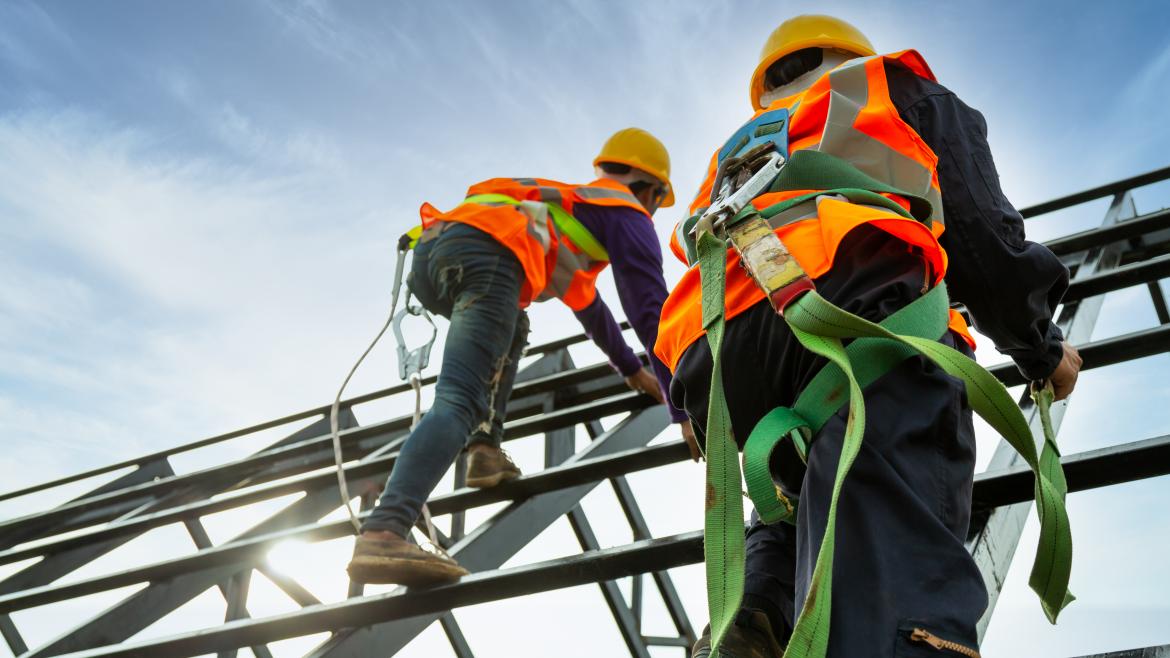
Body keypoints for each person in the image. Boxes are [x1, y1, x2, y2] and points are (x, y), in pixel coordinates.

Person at [652, 16, 1083, 657]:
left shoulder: (737, 153)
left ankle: (754, 612)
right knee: (892, 547)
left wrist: (684, 404)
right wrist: (1041, 350)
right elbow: (979, 233)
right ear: (852, 53)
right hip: (858, 302)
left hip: (714, 354)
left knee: (795, 490)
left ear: (768, 88)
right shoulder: (890, 86)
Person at [347, 127, 693, 586]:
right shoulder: (626, 213)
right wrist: (683, 407)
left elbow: (592, 310)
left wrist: (631, 369)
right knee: (459, 399)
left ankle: (485, 449)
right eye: (655, 202)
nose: (651, 212)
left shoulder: (566, 213)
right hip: (488, 256)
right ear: (651, 188)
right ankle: (386, 529)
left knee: (514, 326)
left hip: (435, 255)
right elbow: (651, 312)